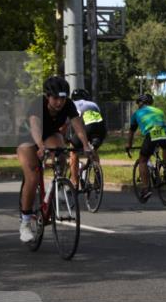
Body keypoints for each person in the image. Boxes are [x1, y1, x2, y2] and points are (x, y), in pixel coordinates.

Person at [17, 76, 92, 242]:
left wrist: (86, 145)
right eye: (56, 98)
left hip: (50, 134)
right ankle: (26, 222)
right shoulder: (38, 104)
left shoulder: (69, 105)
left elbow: (77, 124)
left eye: (63, 98)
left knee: (61, 154)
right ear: (47, 96)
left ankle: (55, 186)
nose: (60, 102)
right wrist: (40, 146)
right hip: (28, 137)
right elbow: (35, 126)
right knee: (33, 176)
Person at [125, 94, 166, 202]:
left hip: (151, 134)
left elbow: (131, 131)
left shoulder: (137, 114)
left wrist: (129, 145)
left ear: (140, 103)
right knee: (165, 147)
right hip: (165, 133)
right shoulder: (159, 110)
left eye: (138, 103)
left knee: (143, 160)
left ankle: (146, 188)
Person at [67, 88, 107, 189]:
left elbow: (72, 122)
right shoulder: (93, 104)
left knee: (73, 150)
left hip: (87, 128)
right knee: (92, 150)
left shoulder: (72, 105)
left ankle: (74, 181)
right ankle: (98, 178)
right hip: (101, 129)